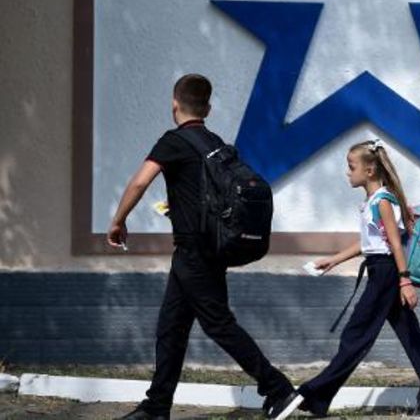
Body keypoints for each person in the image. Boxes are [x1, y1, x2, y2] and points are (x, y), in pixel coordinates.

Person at [107, 74, 298, 420]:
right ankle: (157, 406)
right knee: (171, 327)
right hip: (203, 249)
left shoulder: (173, 141)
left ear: (174, 103)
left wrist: (118, 221)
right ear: (207, 108)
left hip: (195, 251)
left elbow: (139, 181)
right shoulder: (214, 142)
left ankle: (278, 389)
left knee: (218, 323)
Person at [272, 139, 420, 419]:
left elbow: (394, 243)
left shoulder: (382, 201)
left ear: (369, 171)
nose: (348, 172)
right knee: (411, 336)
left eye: (351, 166)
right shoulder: (374, 200)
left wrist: (404, 280)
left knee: (355, 336)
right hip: (382, 268)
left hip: (386, 273)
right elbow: (369, 243)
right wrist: (334, 260)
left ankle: (313, 395)